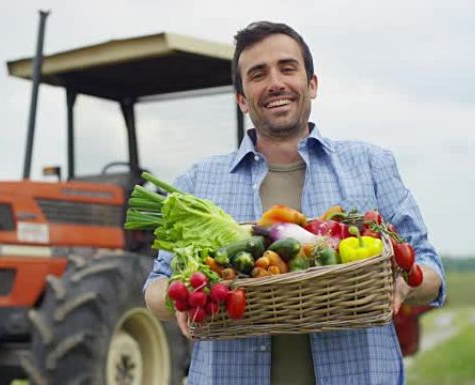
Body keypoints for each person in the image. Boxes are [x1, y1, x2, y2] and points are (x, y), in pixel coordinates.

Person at [143, 21, 445, 385]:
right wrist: (182, 297)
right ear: (242, 99)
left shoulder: (370, 165)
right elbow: (157, 286)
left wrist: (404, 283)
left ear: (312, 84)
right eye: (257, 74)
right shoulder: (197, 182)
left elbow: (428, 266)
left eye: (287, 68)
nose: (275, 83)